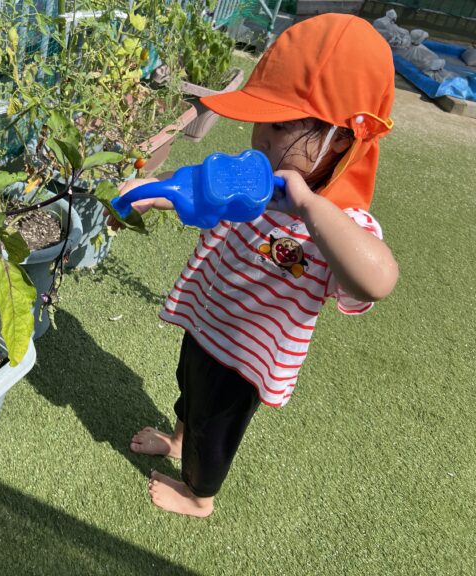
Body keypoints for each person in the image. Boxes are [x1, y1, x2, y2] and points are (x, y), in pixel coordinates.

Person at [112, 14, 400, 517]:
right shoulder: (254, 184)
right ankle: (179, 440)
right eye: (259, 120)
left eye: (282, 125)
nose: (260, 137)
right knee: (188, 389)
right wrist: (153, 194)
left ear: (340, 139)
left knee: (214, 428)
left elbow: (378, 278)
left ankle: (199, 496)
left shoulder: (340, 224)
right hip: (205, 323)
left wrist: (310, 207)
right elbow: (197, 186)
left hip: (244, 359)